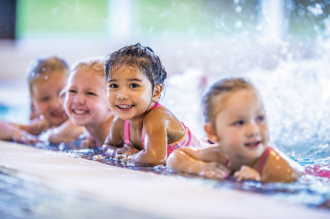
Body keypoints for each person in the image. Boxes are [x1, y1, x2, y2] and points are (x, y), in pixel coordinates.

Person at [166, 78, 305, 183]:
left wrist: (260, 184)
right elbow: (175, 157)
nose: (253, 130)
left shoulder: (277, 167)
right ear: (213, 133)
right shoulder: (221, 154)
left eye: (260, 118)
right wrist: (200, 169)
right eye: (240, 122)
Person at [102, 43, 209, 166]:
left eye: (134, 85)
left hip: (210, 158)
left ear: (156, 92)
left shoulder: (157, 117)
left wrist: (129, 156)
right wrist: (116, 153)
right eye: (114, 86)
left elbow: (155, 159)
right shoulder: (120, 123)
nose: (122, 95)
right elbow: (107, 146)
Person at [10, 56, 84, 145]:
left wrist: (50, 136)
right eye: (45, 98)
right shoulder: (42, 126)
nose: (55, 104)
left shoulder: (83, 122)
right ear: (33, 104)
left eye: (63, 94)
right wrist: (11, 132)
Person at [63, 58, 115, 148]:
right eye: (72, 91)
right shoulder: (91, 132)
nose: (77, 100)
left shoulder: (114, 136)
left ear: (113, 102)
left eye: (90, 93)